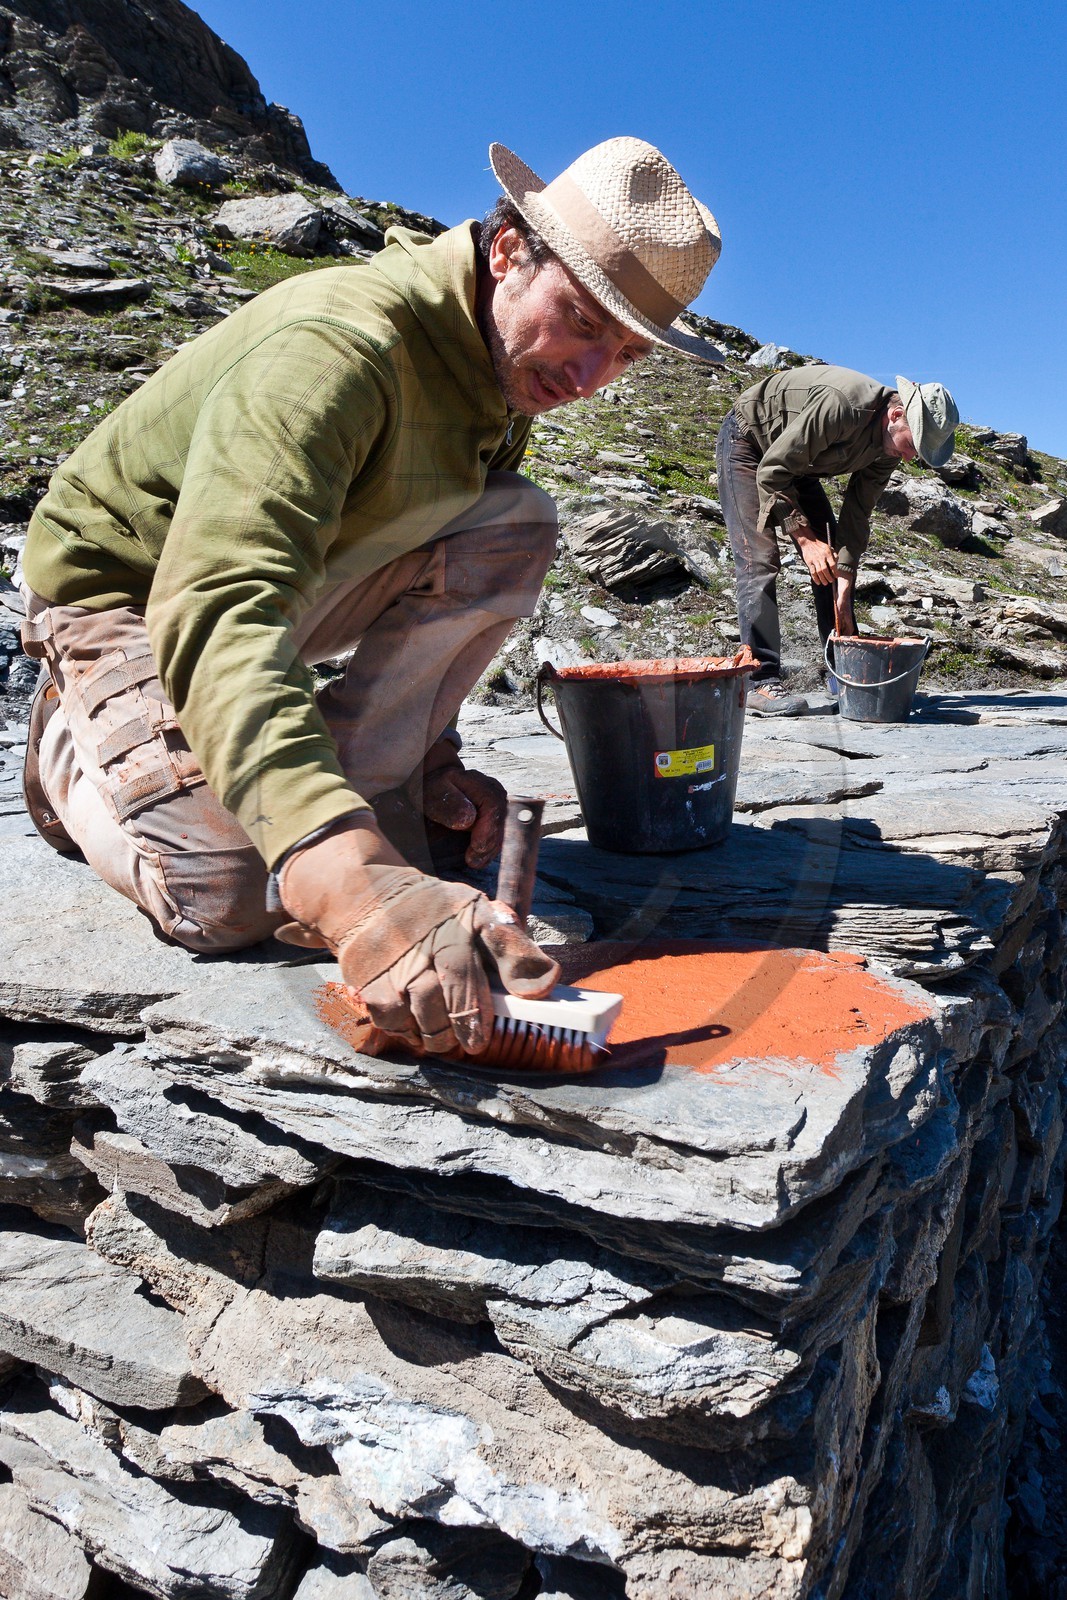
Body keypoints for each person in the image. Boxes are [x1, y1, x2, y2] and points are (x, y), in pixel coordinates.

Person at [19, 136, 722, 1057]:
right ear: (508, 247)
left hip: (284, 587)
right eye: (585, 321)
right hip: (132, 595)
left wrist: (428, 761)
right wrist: (345, 884)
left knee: (512, 519)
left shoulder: (495, 369)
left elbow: (418, 551)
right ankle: (70, 739)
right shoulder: (339, 348)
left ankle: (358, 781)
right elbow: (223, 599)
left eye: (625, 355)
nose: (589, 377)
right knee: (235, 894)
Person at [715, 365, 959, 715]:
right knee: (760, 561)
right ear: (896, 415)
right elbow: (772, 473)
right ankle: (759, 680)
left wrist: (845, 582)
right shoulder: (842, 405)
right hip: (750, 445)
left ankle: (844, 675)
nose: (911, 457)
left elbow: (857, 514)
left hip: (797, 465)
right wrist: (805, 539)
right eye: (914, 444)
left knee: (833, 568)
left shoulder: (888, 448)